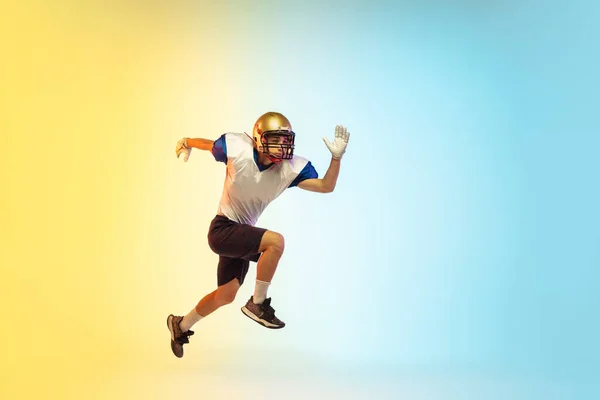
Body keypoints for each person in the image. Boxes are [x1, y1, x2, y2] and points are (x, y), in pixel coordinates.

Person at [167, 111, 350, 358]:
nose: (282, 146)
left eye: (285, 140)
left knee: (226, 295)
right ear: (258, 138)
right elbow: (210, 145)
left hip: (240, 232)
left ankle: (180, 325)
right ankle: (258, 303)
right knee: (275, 243)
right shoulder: (236, 149)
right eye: (276, 139)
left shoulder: (289, 169)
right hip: (222, 229)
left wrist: (336, 158)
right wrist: (186, 142)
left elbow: (326, 186)